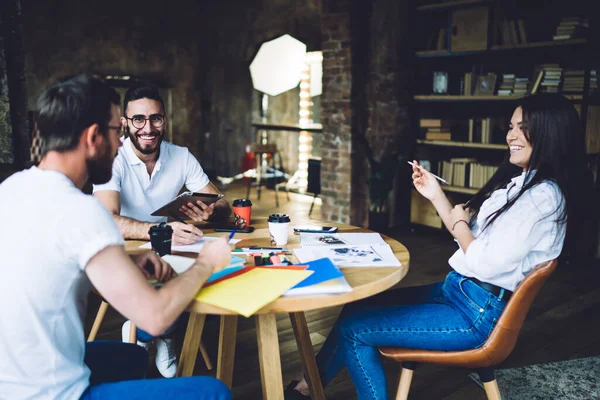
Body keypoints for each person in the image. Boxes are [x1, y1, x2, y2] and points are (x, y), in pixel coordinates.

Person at [285, 93, 590, 400]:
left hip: (475, 314)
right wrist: (436, 194)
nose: (510, 135)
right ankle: (310, 385)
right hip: (460, 293)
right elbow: (470, 240)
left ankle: (309, 387)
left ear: (549, 132)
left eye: (522, 127)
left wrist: (460, 224)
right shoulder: (524, 185)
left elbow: (483, 261)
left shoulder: (541, 197)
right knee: (356, 307)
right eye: (510, 126)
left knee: (354, 329)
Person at [0, 74, 231, 400]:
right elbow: (154, 317)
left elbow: (53, 264)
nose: (122, 141)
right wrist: (206, 262)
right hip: (48, 393)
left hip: (10, 378)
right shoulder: (82, 210)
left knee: (133, 357)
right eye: (118, 131)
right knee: (213, 391)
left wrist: (129, 259)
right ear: (94, 136)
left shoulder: (11, 189)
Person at [93, 84, 231, 377]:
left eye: (155, 118)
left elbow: (222, 204)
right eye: (138, 119)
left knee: (207, 271)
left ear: (165, 120)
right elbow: (105, 218)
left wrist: (208, 211)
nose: (148, 127)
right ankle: (154, 334)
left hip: (174, 246)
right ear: (125, 123)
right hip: (128, 253)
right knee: (172, 275)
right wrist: (161, 231)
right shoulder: (113, 157)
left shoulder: (180, 156)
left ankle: (152, 333)